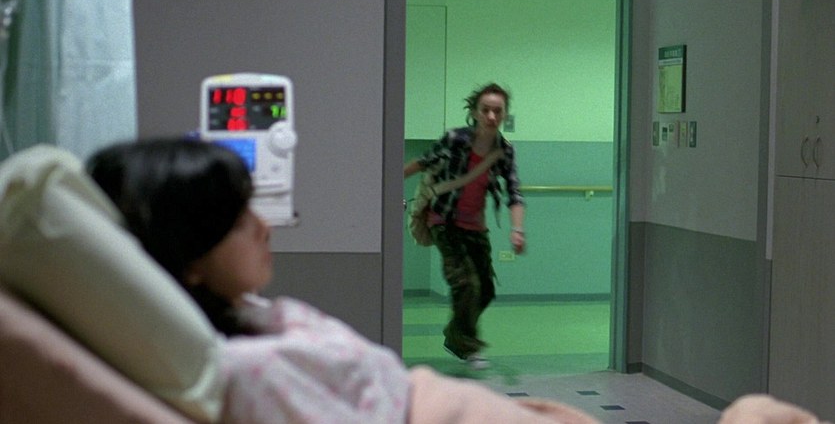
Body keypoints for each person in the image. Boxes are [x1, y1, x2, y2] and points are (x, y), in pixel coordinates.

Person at [86, 137, 597, 424]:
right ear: (187, 256)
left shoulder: (249, 315)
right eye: (241, 219)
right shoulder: (249, 370)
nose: (266, 226)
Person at [404, 82, 525, 369]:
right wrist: (384, 182)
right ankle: (467, 346)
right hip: (444, 222)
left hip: (475, 227)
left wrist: (517, 230)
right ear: (474, 112)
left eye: (498, 111)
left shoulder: (504, 150)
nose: (492, 116)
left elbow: (514, 191)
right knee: (466, 284)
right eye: (486, 110)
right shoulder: (455, 139)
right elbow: (424, 162)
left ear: (505, 114)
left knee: (486, 290)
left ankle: (455, 335)